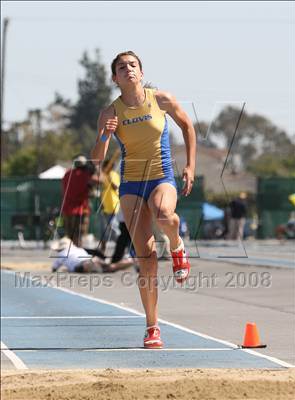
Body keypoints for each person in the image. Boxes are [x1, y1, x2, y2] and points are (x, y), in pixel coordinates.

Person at [91, 51, 196, 349]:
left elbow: (187, 127)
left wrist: (190, 166)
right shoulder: (110, 112)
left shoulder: (160, 99)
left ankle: (177, 245)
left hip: (162, 176)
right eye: (121, 68)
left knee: (164, 213)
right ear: (115, 78)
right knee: (146, 260)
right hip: (131, 184)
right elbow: (96, 159)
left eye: (132, 65)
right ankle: (152, 327)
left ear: (141, 71)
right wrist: (104, 136)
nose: (128, 70)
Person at [61, 155, 99, 247]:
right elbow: (98, 182)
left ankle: (70, 257)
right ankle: (77, 257)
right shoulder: (86, 175)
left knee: (69, 236)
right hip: (80, 210)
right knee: (79, 236)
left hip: (67, 210)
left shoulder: (67, 174)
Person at [98, 159, 120, 253]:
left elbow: (115, 187)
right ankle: (102, 250)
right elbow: (102, 191)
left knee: (114, 228)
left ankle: (122, 246)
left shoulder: (113, 174)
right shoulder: (103, 176)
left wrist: (109, 178)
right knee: (103, 229)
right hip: (105, 206)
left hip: (113, 205)